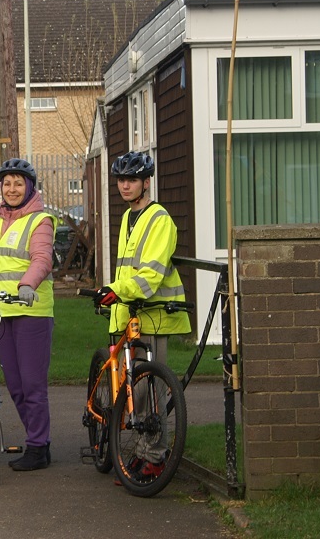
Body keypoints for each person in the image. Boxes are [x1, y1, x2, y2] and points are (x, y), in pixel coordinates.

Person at [94, 151, 189, 479]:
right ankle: (142, 451)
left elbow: (151, 273)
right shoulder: (128, 217)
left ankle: (156, 455)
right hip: (131, 313)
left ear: (146, 182)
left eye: (132, 179)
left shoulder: (158, 218)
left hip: (153, 312)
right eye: (121, 180)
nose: (125, 185)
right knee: (134, 391)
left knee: (151, 390)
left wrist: (118, 290)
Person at [0, 158, 56, 472]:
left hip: (30, 310)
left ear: (30, 187)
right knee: (16, 385)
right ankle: (39, 441)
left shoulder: (40, 220)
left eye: (18, 183)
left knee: (33, 384)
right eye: (7, 183)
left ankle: (37, 446)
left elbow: (42, 258)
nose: (11, 189)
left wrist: (27, 284)